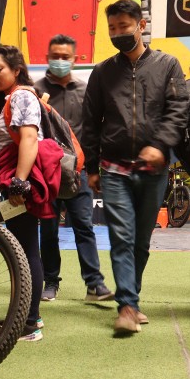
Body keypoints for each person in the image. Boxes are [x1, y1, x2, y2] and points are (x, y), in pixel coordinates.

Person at [81, 0, 187, 334]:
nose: (117, 33)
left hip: (153, 170)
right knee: (122, 237)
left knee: (141, 241)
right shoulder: (102, 72)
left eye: (123, 26)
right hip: (113, 169)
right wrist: (93, 167)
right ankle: (126, 305)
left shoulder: (168, 65)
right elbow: (90, 122)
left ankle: (132, 298)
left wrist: (160, 146)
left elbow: (178, 109)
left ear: (140, 25)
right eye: (112, 28)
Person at [0, 44, 62, 341]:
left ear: (16, 70)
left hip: (22, 183)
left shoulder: (22, 96)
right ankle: (24, 315)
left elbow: (29, 138)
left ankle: (30, 321)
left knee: (27, 250)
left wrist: (19, 182)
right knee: (21, 248)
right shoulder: (10, 99)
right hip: (17, 180)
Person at [34, 34, 113, 302]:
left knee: (84, 227)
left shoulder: (85, 91)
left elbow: (92, 133)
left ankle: (94, 284)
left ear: (75, 59)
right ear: (47, 57)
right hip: (47, 173)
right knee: (48, 229)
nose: (60, 61)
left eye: (65, 57)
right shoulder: (34, 91)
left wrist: (93, 169)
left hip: (77, 172)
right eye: (55, 56)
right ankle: (50, 281)